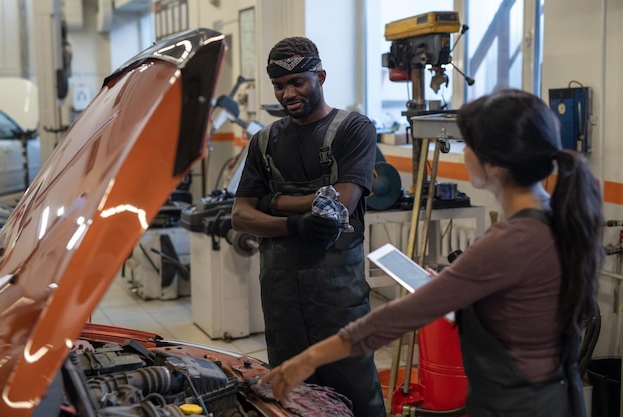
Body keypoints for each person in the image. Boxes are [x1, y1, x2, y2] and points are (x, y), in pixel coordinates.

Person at [258, 88, 605, 417]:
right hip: (553, 398)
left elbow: (395, 319)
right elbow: (524, 310)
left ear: (495, 165)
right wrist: (460, 292)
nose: (464, 152)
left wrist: (307, 360)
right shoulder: (557, 218)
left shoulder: (510, 242)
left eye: (467, 143)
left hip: (518, 406)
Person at [231, 37, 386, 417]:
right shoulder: (264, 142)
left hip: (337, 290)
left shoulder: (355, 129)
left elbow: (342, 203)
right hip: (281, 290)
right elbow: (240, 216)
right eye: (280, 86)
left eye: (298, 82)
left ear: (320, 76)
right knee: (290, 391)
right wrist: (300, 224)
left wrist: (272, 202)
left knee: (354, 387)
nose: (288, 94)